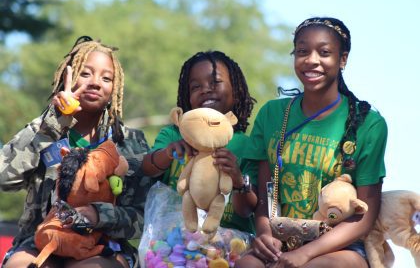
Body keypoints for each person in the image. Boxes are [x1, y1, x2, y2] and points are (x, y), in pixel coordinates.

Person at [235, 17, 387, 268]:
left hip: (340, 246)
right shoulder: (272, 114)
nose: (311, 60)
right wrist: (264, 234)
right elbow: (266, 195)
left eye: (324, 52)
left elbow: (365, 216)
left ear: (343, 60)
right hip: (281, 238)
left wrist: (306, 254)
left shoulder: (369, 124)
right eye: (302, 51)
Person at [0, 36, 152, 268]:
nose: (95, 82)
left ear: (115, 88)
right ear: (65, 79)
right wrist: (54, 123)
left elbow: (144, 216)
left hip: (105, 246)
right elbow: (4, 177)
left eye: (106, 77)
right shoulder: (43, 129)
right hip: (42, 242)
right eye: (85, 73)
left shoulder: (130, 141)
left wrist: (98, 214)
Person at [141, 50, 258, 234]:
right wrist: (167, 153)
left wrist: (238, 180)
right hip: (172, 241)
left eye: (215, 82)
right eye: (196, 87)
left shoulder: (246, 145)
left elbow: (246, 210)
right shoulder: (173, 134)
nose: (205, 89)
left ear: (236, 91)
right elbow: (147, 168)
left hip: (228, 245)